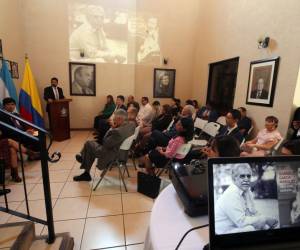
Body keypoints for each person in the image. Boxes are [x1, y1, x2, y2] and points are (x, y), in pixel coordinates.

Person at [73, 109, 135, 181]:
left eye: (114, 118)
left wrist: (111, 129)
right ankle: (83, 162)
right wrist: (116, 127)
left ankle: (83, 162)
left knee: (88, 144)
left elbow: (105, 143)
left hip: (111, 154)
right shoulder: (132, 125)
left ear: (120, 119)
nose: (114, 120)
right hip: (122, 152)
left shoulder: (117, 132)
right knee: (90, 146)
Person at [215, 163, 278, 234]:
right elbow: (241, 222)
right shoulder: (231, 194)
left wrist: (266, 223)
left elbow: (254, 212)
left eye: (248, 176)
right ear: (234, 178)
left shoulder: (247, 191)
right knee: (250, 229)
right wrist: (265, 219)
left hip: (237, 226)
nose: (246, 179)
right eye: (242, 176)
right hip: (225, 231)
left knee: (265, 227)